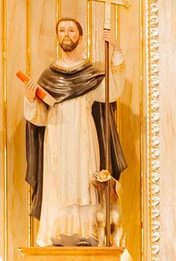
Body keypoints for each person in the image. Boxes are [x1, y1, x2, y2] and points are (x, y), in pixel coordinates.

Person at [19, 14, 127, 247]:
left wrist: (116, 50)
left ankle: (87, 233)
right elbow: (39, 118)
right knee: (58, 182)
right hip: (56, 135)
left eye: (71, 30)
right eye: (62, 31)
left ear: (80, 36)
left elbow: (113, 90)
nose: (66, 35)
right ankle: (56, 233)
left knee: (84, 180)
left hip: (84, 136)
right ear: (57, 36)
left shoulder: (90, 74)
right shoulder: (48, 76)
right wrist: (30, 99)